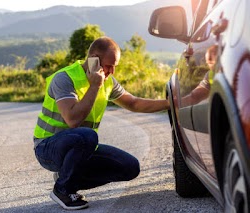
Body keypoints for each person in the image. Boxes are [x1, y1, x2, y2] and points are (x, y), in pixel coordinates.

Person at [33, 36, 169, 210]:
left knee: (129, 167)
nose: (111, 71)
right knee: (88, 136)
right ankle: (63, 189)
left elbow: (134, 103)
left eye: (115, 66)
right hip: (47, 148)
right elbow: (73, 119)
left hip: (79, 148)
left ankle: (66, 176)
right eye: (108, 65)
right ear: (94, 60)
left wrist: (170, 104)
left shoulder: (108, 82)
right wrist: (94, 86)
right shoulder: (64, 79)